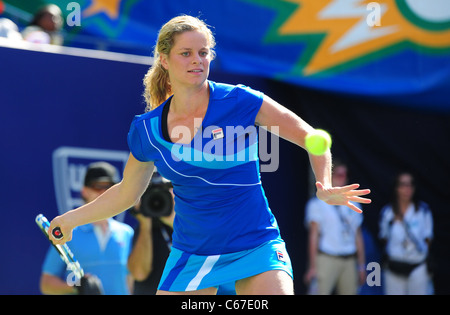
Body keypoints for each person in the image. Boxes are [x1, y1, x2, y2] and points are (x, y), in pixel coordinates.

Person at [48, 15, 371, 295]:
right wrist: (70, 220)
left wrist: (323, 184)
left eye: (203, 53)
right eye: (185, 53)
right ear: (164, 59)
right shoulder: (146, 129)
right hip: (193, 253)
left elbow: (311, 137)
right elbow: (127, 192)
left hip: (256, 245)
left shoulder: (242, 101)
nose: (197, 61)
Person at [40, 162, 134, 295]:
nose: (104, 192)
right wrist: (76, 287)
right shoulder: (68, 232)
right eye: (98, 186)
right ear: (84, 191)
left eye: (109, 187)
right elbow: (46, 284)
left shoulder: (127, 233)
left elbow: (130, 281)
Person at [303, 160, 366, 294]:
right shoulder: (317, 204)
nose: (343, 178)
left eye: (345, 175)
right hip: (326, 258)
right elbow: (313, 236)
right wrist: (312, 266)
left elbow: (358, 235)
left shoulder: (354, 203)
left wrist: (361, 266)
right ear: (330, 177)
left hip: (349, 259)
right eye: (339, 174)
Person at [379, 171, 433, 295]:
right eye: (403, 185)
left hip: (417, 265)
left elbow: (428, 238)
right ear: (396, 188)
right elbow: (384, 237)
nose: (407, 189)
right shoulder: (388, 212)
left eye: (410, 185)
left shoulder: (423, 211)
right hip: (394, 266)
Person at [127, 171, 175, 295]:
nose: (157, 200)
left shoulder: (189, 227)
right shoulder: (142, 230)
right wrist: (145, 224)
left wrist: (174, 222)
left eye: (166, 191)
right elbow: (139, 273)